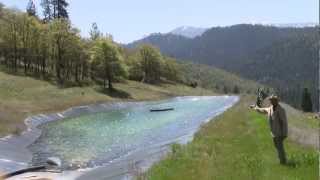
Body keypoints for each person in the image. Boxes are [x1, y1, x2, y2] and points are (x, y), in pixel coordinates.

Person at [250, 95, 288, 164]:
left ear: (276, 101)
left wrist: (284, 134)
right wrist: (255, 107)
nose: (271, 101)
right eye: (271, 100)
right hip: (274, 133)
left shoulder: (281, 110)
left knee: (280, 148)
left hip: (280, 133)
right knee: (277, 147)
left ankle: (283, 162)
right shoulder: (270, 108)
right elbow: (263, 110)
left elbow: (284, 122)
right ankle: (282, 160)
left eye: (273, 100)